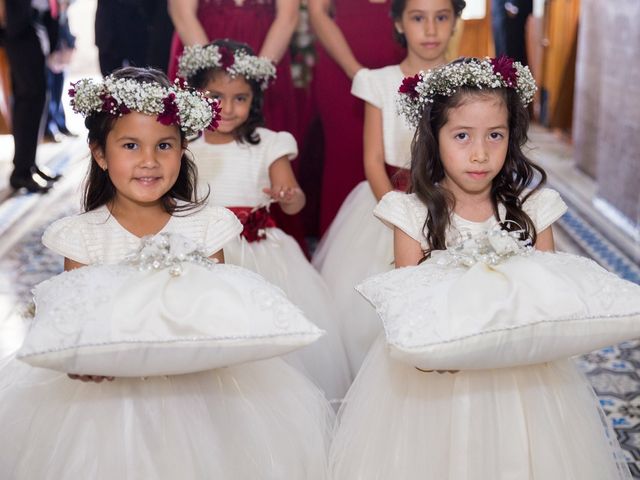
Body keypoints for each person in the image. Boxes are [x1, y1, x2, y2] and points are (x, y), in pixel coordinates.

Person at [0, 67, 333, 478]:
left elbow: (221, 312)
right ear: (100, 153)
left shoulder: (206, 225)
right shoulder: (82, 236)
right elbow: (74, 319)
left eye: (164, 145)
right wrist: (79, 359)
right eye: (130, 145)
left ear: (183, 149)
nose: (149, 161)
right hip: (109, 403)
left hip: (200, 392)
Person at [328, 57, 632, 478]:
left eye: (495, 135)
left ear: (513, 136)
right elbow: (407, 305)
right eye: (462, 135)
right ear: (434, 138)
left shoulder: (531, 210)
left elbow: (552, 297)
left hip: (523, 381)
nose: (480, 152)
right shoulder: (411, 213)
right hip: (440, 381)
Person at [179, 39, 351, 402]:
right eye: (215, 96)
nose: (227, 108)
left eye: (239, 98)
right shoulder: (184, 147)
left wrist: (289, 196)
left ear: (254, 100)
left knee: (269, 342)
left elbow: (293, 202)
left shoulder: (270, 144)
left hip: (259, 254)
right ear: (196, 94)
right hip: (203, 253)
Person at [313, 0, 465, 376]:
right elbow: (372, 160)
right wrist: (402, 215)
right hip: (391, 201)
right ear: (398, 23)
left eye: (441, 17)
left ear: (454, 21)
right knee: (370, 314)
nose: (430, 30)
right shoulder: (377, 81)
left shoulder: (465, 83)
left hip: (452, 202)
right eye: (417, 18)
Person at [309, 0, 405, 233]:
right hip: (341, 64)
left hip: (398, 56)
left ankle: (402, 231)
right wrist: (356, 71)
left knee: (399, 153)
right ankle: (342, 244)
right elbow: (317, 11)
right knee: (346, 157)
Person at [4, 0, 60, 193]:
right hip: (19, 28)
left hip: (32, 23)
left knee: (35, 98)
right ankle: (22, 171)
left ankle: (29, 164)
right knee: (30, 99)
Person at [491, 0, 532, 65]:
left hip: (510, 11)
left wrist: (513, 5)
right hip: (500, 11)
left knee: (511, 52)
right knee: (501, 50)